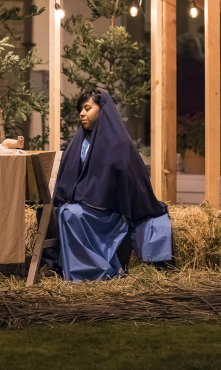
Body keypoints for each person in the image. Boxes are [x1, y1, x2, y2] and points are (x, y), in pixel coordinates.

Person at [52, 89, 171, 281]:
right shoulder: (80, 142)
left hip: (110, 212)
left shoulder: (120, 144)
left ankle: (97, 270)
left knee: (70, 214)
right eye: (81, 109)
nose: (82, 113)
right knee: (61, 212)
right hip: (85, 206)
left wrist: (84, 200)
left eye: (88, 108)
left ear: (103, 110)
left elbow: (131, 182)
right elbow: (68, 177)